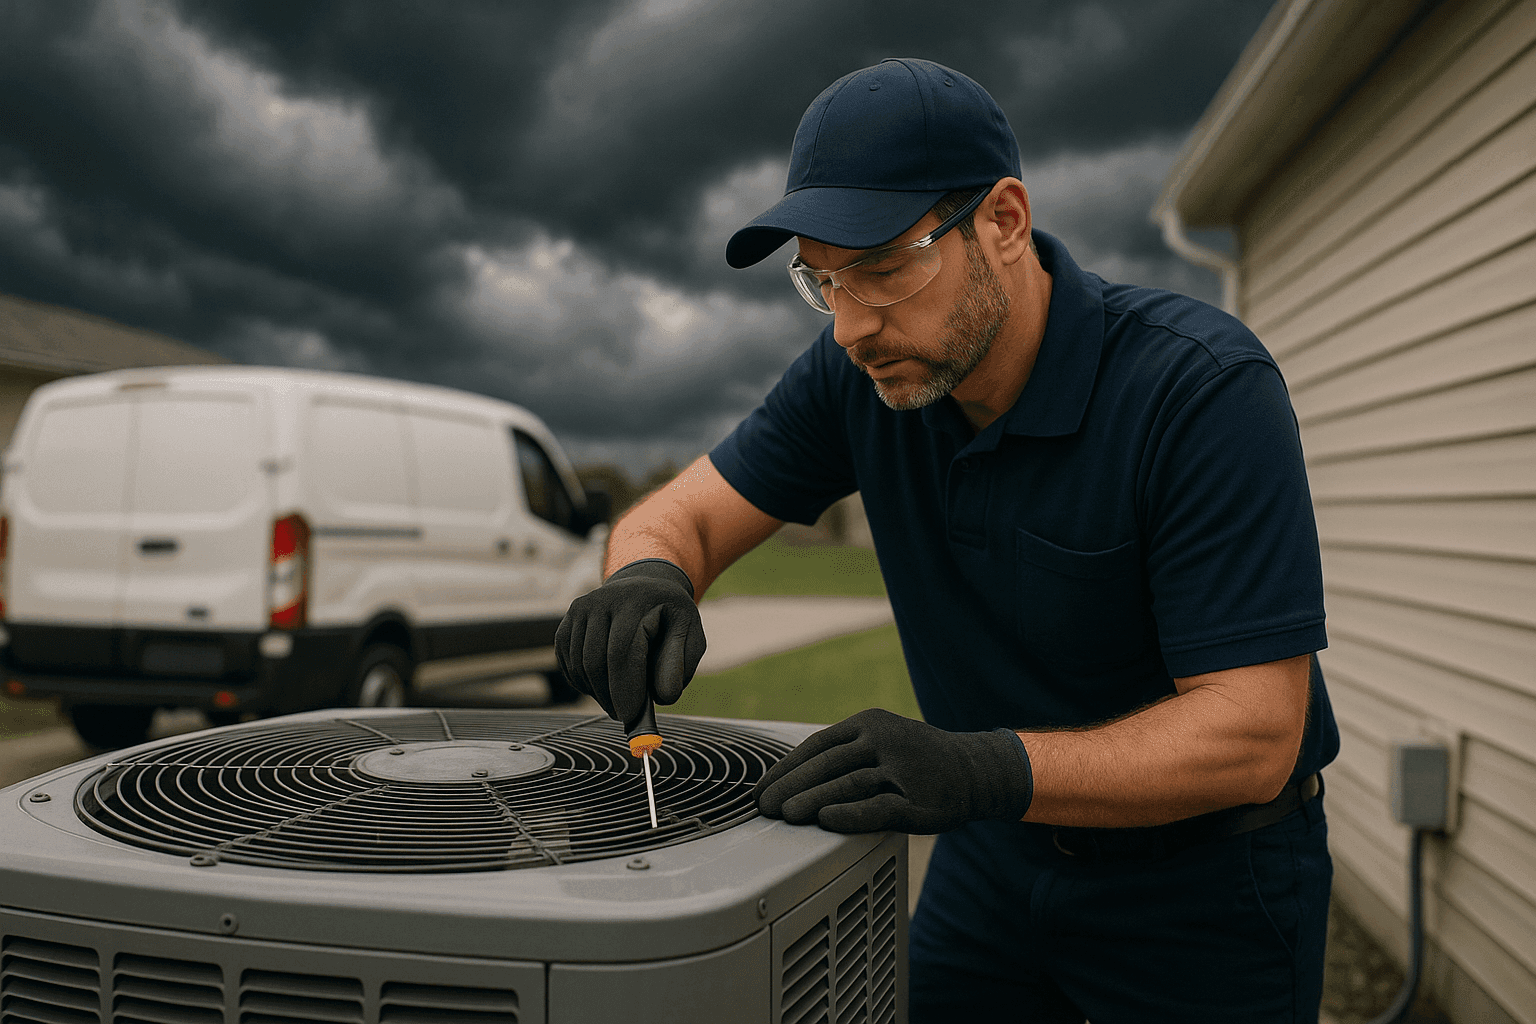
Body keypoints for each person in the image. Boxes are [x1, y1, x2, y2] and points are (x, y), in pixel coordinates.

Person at [556, 57, 1337, 1023]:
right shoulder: (861, 377)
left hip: (1204, 882)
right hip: (991, 865)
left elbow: (1255, 732)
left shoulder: (1200, 390)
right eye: (821, 280)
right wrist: (644, 574)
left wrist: (976, 770)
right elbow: (689, 512)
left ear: (1004, 222)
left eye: (881, 267)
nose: (849, 326)